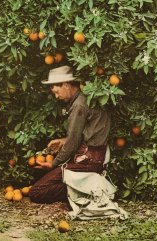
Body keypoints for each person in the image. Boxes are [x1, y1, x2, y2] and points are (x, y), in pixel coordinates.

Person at [29, 65, 111, 204]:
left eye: (57, 91)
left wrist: (54, 163)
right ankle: (83, 186)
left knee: (37, 192)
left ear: (66, 85)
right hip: (93, 157)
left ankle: (87, 189)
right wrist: (63, 140)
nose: (56, 96)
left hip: (88, 161)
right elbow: (83, 134)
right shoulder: (83, 98)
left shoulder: (79, 105)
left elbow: (73, 142)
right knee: (41, 177)